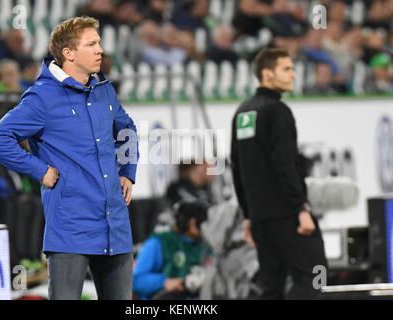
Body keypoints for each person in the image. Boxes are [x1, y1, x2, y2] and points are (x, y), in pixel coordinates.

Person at [0, 16, 139, 300]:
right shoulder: (41, 98)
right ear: (68, 53)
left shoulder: (104, 90)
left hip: (114, 226)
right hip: (70, 229)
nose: (100, 50)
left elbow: (126, 127)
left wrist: (128, 170)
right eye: (91, 44)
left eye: (99, 43)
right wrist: (39, 169)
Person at [230, 48, 328, 300]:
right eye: (286, 69)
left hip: (261, 219)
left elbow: (238, 169)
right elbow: (286, 165)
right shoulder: (278, 111)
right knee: (314, 274)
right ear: (267, 74)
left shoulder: (243, 113)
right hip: (285, 214)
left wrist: (249, 216)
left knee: (271, 285)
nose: (293, 75)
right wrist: (301, 208)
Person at [133, 201, 210, 300]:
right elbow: (136, 281)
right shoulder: (160, 242)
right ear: (192, 223)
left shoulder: (207, 243)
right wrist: (164, 282)